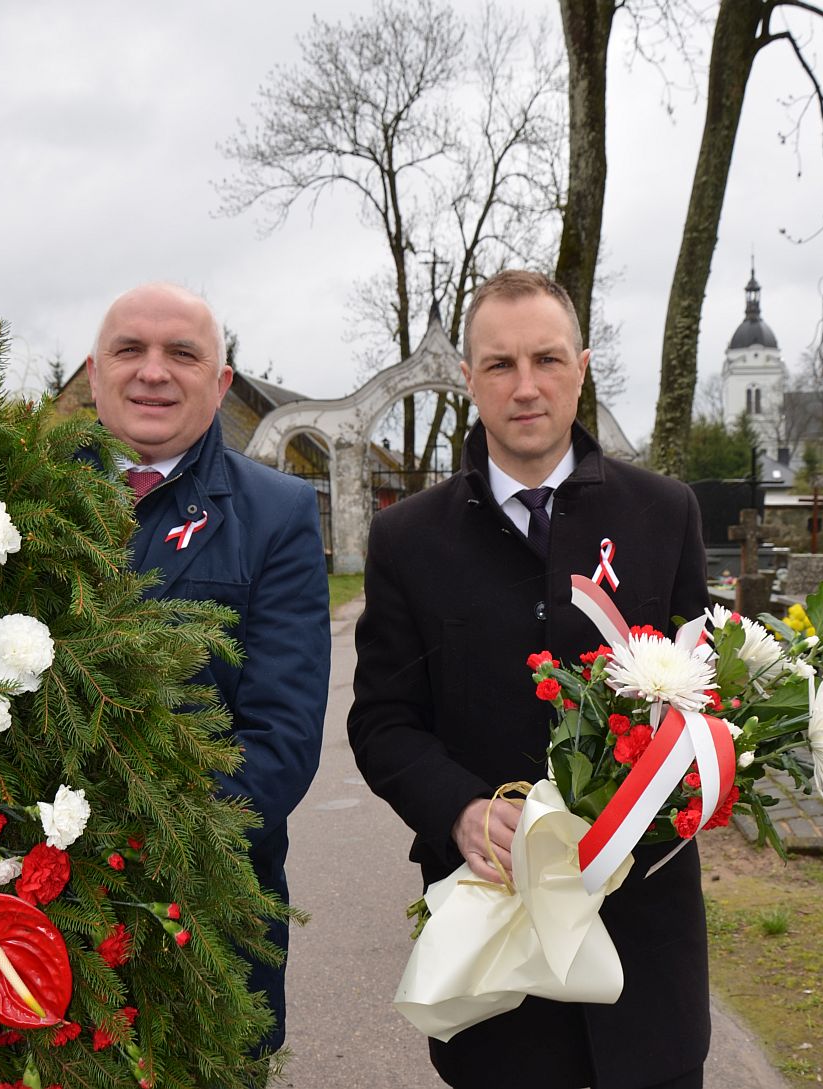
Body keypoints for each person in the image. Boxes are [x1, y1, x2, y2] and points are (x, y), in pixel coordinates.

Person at [348, 270, 710, 1089]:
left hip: (645, 949)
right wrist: (462, 811)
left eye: (547, 359)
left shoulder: (664, 513)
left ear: (581, 366)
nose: (526, 386)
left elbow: (707, 696)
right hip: (498, 942)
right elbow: (382, 722)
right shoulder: (409, 540)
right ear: (469, 378)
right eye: (500, 364)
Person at [83, 282, 331, 1049]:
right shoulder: (20, 503)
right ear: (94, 373)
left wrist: (123, 845)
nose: (153, 372)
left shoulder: (278, 516)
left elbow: (281, 742)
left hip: (208, 922)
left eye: (182, 353)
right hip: (28, 912)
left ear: (220, 383)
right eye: (130, 350)